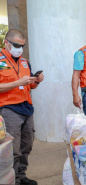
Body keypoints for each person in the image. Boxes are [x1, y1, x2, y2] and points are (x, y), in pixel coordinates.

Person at [0, 29, 44, 185]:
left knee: (27, 145)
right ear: (6, 43)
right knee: (13, 149)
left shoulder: (25, 62)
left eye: (22, 46)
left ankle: (21, 175)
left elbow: (30, 85)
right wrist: (18, 82)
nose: (20, 48)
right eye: (16, 45)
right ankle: (13, 180)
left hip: (26, 108)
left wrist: (36, 81)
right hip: (9, 109)